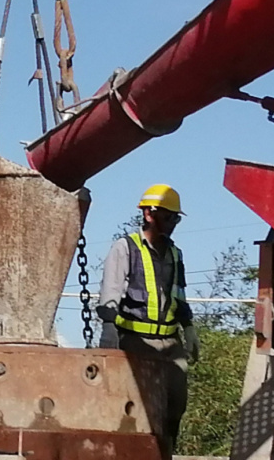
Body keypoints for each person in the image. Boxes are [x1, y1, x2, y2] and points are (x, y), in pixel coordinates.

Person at [98, 184, 199, 454]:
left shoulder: (176, 255)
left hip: (170, 344)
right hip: (135, 343)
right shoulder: (126, 248)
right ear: (149, 214)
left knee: (174, 408)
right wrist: (109, 331)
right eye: (169, 217)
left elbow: (179, 295)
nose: (173, 223)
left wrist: (188, 329)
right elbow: (111, 292)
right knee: (139, 410)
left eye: (176, 218)